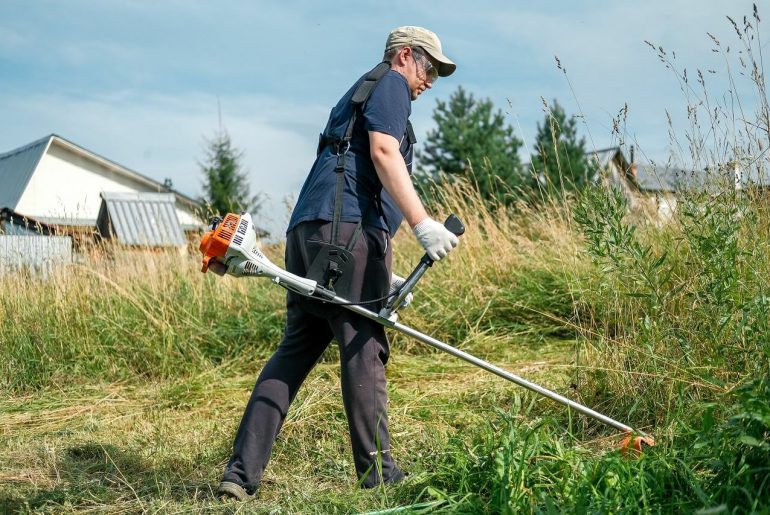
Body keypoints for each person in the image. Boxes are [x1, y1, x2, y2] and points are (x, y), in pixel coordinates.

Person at [215, 26, 459, 501]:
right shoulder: (389, 84)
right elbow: (383, 154)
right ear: (405, 56)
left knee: (296, 351)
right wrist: (423, 223)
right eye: (429, 67)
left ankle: (239, 476)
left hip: (310, 232)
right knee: (364, 348)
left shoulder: (356, 97)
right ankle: (380, 477)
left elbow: (362, 175)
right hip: (344, 233)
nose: (431, 79)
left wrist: (382, 268)